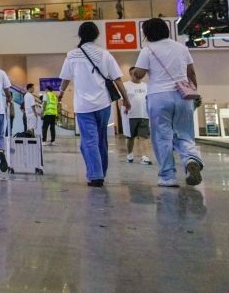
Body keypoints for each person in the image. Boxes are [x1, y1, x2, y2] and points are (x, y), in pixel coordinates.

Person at [130, 17, 204, 187]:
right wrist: (194, 93)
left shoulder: (147, 50)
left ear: (147, 33)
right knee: (184, 133)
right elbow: (191, 73)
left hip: (159, 97)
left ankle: (168, 177)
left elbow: (139, 74)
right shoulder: (181, 48)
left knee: (162, 137)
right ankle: (191, 159)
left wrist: (136, 71)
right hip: (183, 96)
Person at [59, 22, 131, 187]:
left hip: (83, 106)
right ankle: (100, 173)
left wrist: (61, 93)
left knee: (89, 140)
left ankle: (96, 175)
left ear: (80, 35)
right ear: (96, 35)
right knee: (101, 139)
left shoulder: (72, 55)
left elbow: (65, 79)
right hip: (103, 104)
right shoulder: (104, 54)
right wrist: (126, 99)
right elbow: (117, 79)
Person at [122, 68, 152, 165]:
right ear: (131, 74)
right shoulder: (125, 85)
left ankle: (145, 157)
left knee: (144, 137)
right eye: (135, 73)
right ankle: (130, 154)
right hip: (130, 115)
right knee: (130, 137)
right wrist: (123, 112)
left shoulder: (146, 86)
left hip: (144, 115)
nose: (138, 75)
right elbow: (121, 101)